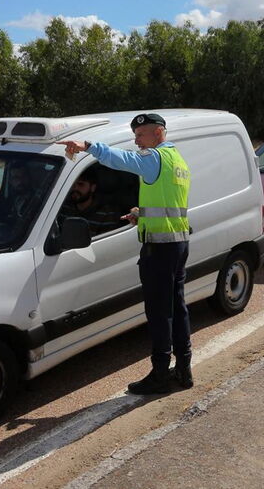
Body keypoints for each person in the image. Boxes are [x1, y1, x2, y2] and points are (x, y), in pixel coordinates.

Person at [58, 113, 192, 394]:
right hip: (177, 243)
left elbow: (123, 160)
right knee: (177, 308)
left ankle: (159, 374)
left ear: (157, 133)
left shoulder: (155, 158)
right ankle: (183, 369)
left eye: (140, 135)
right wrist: (141, 214)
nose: (136, 141)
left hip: (160, 247)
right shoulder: (177, 161)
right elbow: (169, 205)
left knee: (159, 313)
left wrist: (87, 146)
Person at [59, 168, 124, 237]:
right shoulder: (63, 206)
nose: (75, 188)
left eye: (81, 184)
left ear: (93, 188)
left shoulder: (106, 213)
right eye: (73, 184)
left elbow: (104, 243)